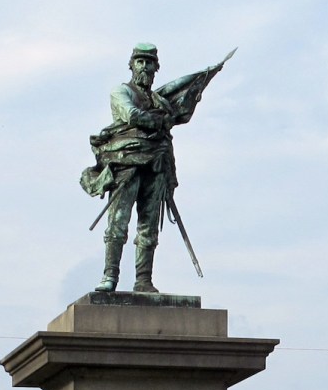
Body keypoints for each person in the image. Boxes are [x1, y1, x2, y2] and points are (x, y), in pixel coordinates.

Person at [81, 43, 230, 292]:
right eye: (140, 61)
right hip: (126, 163)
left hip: (157, 163)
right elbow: (132, 115)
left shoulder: (161, 99)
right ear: (131, 65)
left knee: (149, 227)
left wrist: (164, 119)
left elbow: (175, 113)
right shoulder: (121, 91)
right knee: (118, 223)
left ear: (156, 67)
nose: (145, 66)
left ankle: (143, 280)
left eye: (149, 62)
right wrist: (160, 120)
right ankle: (110, 276)